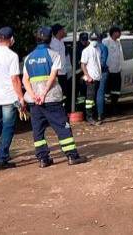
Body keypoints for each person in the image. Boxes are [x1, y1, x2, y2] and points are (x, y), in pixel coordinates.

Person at [24, 27, 89, 167]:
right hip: (51, 98)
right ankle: (72, 156)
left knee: (38, 131)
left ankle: (43, 159)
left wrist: (34, 95)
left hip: (34, 101)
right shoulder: (53, 55)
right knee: (62, 127)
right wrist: (43, 93)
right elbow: (53, 77)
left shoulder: (28, 58)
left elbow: (25, 80)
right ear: (49, 39)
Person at [0, 27, 26, 170]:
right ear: (11, 39)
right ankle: (1, 159)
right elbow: (15, 79)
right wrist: (21, 97)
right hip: (8, 97)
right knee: (7, 127)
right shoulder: (12, 56)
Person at [49, 24, 77, 114]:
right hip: (57, 74)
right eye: (62, 30)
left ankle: (64, 111)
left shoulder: (61, 42)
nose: (64, 31)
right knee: (58, 94)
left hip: (64, 73)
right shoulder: (52, 44)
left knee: (64, 93)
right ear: (58, 32)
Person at [81, 32, 106, 125]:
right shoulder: (86, 51)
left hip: (97, 77)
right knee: (89, 99)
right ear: (89, 40)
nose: (94, 42)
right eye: (93, 40)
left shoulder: (98, 49)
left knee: (93, 99)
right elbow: (83, 64)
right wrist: (87, 76)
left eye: (96, 40)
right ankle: (89, 117)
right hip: (90, 78)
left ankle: (93, 116)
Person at [101, 27, 124, 119]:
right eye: (119, 32)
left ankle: (115, 108)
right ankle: (106, 110)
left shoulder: (118, 43)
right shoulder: (106, 42)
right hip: (109, 71)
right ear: (114, 33)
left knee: (116, 91)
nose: (120, 34)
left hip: (117, 70)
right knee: (107, 92)